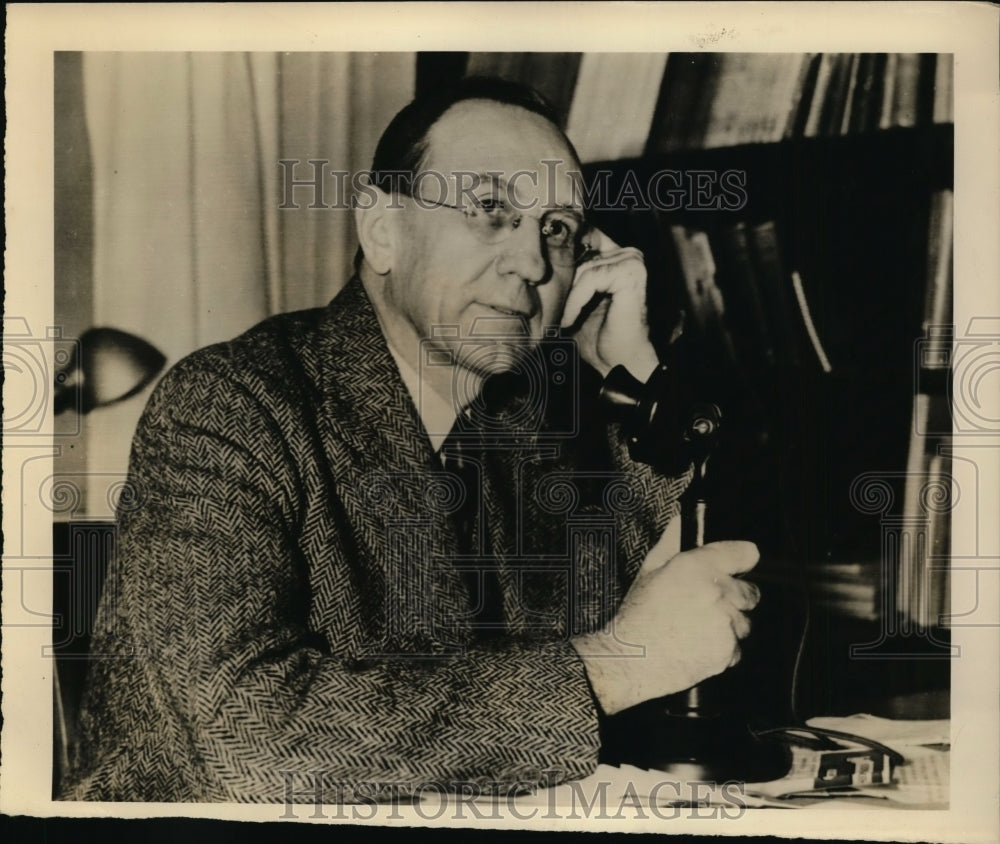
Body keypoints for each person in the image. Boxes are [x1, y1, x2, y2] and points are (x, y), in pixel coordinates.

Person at [63, 77, 760, 803]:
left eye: (557, 228)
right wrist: (611, 669)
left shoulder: (528, 427)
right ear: (383, 231)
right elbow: (251, 739)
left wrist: (639, 373)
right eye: (492, 210)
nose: (531, 263)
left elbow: (651, 622)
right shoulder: (227, 406)